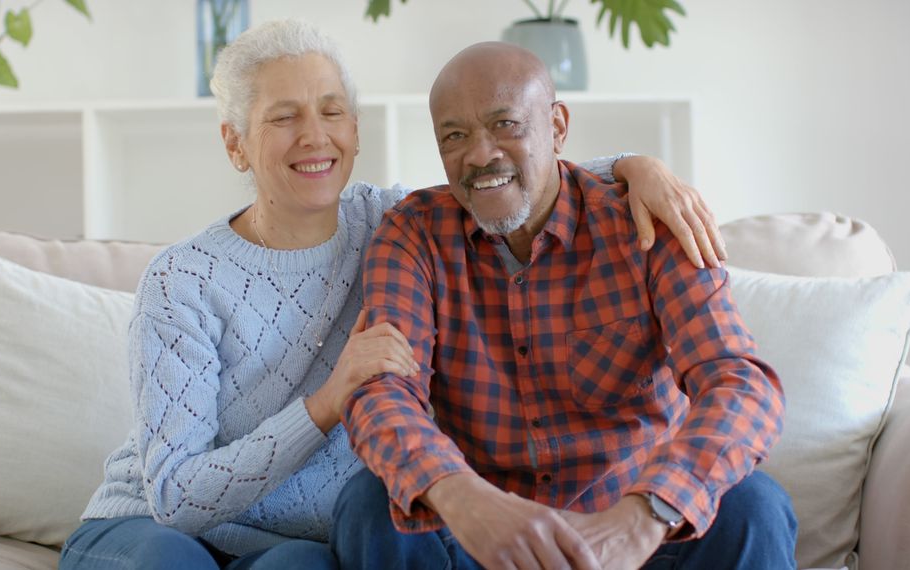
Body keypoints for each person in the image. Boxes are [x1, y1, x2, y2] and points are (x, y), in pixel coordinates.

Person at [58, 21, 727, 570]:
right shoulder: (184, 279)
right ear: (235, 143)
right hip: (154, 525)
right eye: (283, 117)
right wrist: (326, 403)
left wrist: (639, 169)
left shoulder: (392, 221)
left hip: (293, 541)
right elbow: (176, 497)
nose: (314, 136)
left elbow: (505, 173)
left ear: (355, 128)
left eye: (331, 112)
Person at [333, 41, 797, 570]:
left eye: (505, 124)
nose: (480, 154)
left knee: (754, 506)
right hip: (485, 540)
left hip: (637, 536)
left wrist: (645, 513)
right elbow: (380, 390)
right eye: (455, 136)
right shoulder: (412, 234)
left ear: (556, 127)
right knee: (369, 505)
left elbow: (740, 382)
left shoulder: (645, 222)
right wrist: (461, 495)